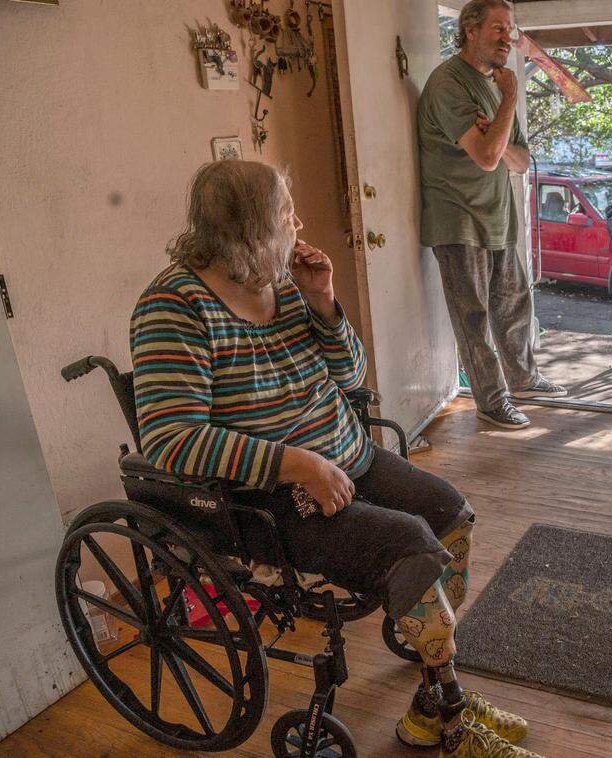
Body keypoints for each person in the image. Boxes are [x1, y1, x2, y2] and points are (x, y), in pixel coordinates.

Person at [130, 159, 540, 758]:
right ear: (251, 230)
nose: (298, 225)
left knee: (450, 512)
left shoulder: (281, 284)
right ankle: (449, 719)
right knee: (409, 544)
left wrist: (324, 302)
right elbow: (172, 440)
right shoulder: (174, 308)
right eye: (286, 215)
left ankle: (431, 694)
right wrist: (298, 464)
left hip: (350, 456)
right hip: (273, 499)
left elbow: (351, 376)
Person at [418, 0, 566, 430]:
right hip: (458, 218)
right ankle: (491, 401)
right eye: (499, 28)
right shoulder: (448, 83)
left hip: (498, 215)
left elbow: (518, 160)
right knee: (474, 317)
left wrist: (496, 133)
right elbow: (487, 157)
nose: (508, 38)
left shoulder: (495, 88)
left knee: (515, 303)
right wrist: (509, 103)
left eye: (510, 29)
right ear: (470, 30)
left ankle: (523, 380)